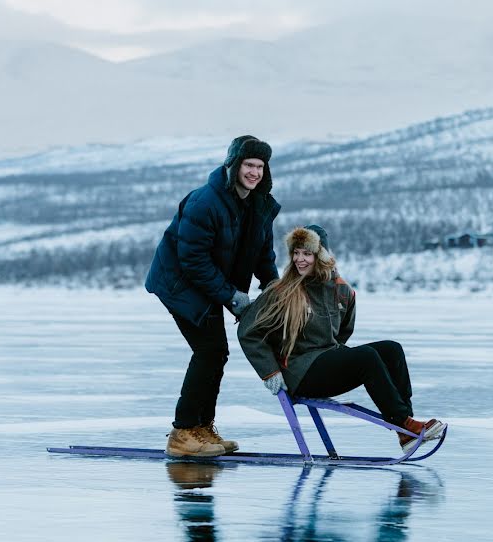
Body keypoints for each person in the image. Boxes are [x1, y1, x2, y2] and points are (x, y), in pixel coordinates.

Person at [237, 225, 445, 452]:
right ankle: (404, 424)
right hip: (299, 372)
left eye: (307, 253)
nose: (300, 259)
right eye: (296, 253)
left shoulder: (341, 291)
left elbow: (344, 331)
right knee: (366, 357)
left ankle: (406, 428)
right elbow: (248, 332)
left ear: (321, 255)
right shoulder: (282, 291)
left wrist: (339, 357)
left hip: (326, 361)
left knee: (391, 350)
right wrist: (270, 372)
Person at [145, 135, 281, 457]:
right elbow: (192, 260)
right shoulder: (205, 201)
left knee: (216, 353)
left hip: (208, 284)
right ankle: (182, 434)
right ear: (233, 166)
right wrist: (231, 295)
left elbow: (263, 253)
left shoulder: (258, 205)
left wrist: (274, 286)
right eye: (248, 164)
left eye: (260, 166)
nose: (254, 172)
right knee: (209, 350)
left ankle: (202, 429)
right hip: (179, 284)